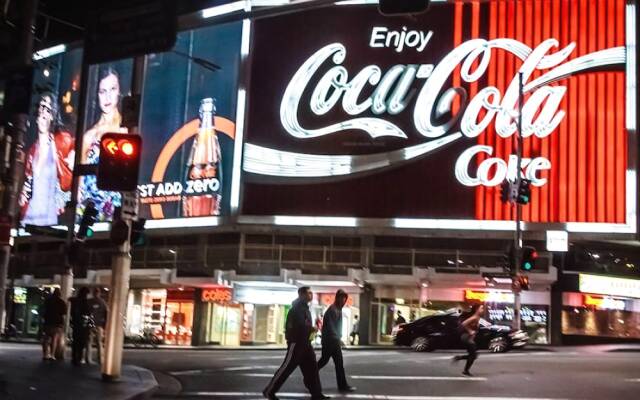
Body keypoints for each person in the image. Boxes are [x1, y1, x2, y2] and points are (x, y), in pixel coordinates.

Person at [263, 287, 329, 400]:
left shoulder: (305, 308)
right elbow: (299, 326)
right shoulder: (297, 309)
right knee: (286, 368)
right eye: (308, 293)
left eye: (311, 293)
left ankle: (316, 393)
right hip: (297, 343)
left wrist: (311, 331)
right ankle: (269, 391)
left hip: (306, 344)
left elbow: (304, 325)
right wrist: (311, 329)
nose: (311, 295)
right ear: (301, 294)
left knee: (312, 368)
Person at [78, 66, 126, 221]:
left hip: (117, 210)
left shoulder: (126, 129)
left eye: (112, 89)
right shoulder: (89, 136)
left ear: (119, 91)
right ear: (97, 95)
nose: (107, 97)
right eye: (102, 91)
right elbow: (79, 183)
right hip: (91, 211)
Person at [20, 93, 74, 226]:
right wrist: (23, 198)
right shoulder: (32, 151)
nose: (44, 113)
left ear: (53, 116)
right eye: (42, 107)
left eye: (48, 110)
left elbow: (69, 180)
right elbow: (28, 186)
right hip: (31, 218)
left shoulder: (61, 142)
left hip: (52, 218)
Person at [317, 290, 356, 392]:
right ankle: (310, 375)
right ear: (337, 298)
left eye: (345, 299)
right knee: (324, 360)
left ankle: (342, 385)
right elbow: (331, 327)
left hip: (334, 341)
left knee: (339, 364)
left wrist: (338, 338)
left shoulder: (338, 310)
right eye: (342, 298)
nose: (343, 301)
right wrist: (338, 338)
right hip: (329, 341)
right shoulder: (332, 310)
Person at [452, 303, 485, 376]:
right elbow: (464, 323)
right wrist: (470, 331)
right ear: (477, 309)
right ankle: (465, 370)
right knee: (473, 355)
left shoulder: (477, 317)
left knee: (473, 355)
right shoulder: (475, 317)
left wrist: (473, 333)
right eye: (481, 308)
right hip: (466, 337)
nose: (482, 310)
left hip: (469, 338)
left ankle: (459, 358)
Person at [41, 288, 67, 361]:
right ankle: (52, 355)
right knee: (54, 339)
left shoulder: (48, 301)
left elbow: (44, 310)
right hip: (57, 323)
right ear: (59, 294)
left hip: (48, 322)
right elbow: (64, 313)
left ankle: (45, 354)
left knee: (46, 339)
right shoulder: (61, 302)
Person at [69, 287, 93, 366]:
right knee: (81, 342)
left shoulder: (75, 301)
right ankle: (79, 358)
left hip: (76, 324)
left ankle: (74, 357)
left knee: (75, 341)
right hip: (83, 324)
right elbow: (88, 312)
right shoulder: (85, 302)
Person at [85, 288, 108, 365]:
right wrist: (105, 325)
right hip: (99, 325)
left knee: (89, 342)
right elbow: (106, 313)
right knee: (99, 343)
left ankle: (88, 359)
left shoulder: (88, 302)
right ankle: (100, 360)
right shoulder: (102, 302)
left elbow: (86, 313)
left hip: (90, 324)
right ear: (99, 293)